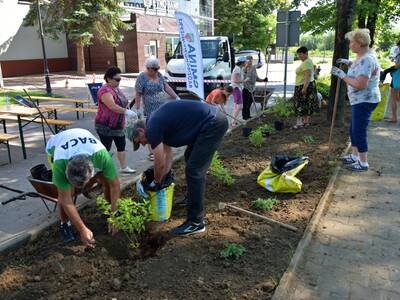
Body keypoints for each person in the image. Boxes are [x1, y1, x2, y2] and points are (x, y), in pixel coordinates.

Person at [126, 100, 228, 235]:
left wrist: (156, 182)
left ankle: (196, 222)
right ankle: (192, 198)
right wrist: (164, 177)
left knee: (194, 170)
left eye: (140, 141)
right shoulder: (155, 124)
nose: (144, 144)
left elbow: (159, 162)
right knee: (190, 157)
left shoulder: (153, 128)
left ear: (140, 130)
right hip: (209, 122)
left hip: (213, 123)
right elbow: (168, 156)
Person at [46, 128, 120, 247]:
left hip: (83, 139)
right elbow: (66, 200)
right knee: (65, 193)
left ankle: (109, 211)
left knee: (107, 180)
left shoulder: (101, 155)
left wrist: (114, 214)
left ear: (92, 172)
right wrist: (82, 229)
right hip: (54, 147)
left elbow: (115, 185)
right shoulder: (60, 163)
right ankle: (64, 224)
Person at [331, 28, 380, 172]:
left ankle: (363, 162)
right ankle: (354, 156)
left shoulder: (367, 59)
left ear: (359, 43)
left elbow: (360, 84)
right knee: (353, 128)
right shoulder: (363, 56)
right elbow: (359, 67)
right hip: (359, 100)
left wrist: (342, 75)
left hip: (364, 100)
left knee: (359, 130)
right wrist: (349, 63)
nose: (350, 45)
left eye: (352, 42)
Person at [134, 56, 180, 161]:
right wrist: (137, 109)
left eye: (158, 68)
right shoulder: (141, 77)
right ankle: (152, 153)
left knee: (163, 129)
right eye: (155, 68)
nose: (157, 70)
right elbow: (138, 93)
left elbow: (166, 87)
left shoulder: (159, 75)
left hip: (162, 108)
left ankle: (164, 149)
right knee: (151, 131)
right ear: (148, 68)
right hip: (151, 110)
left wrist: (176, 97)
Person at [95, 66, 136, 174]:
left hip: (118, 124)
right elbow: (112, 106)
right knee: (106, 148)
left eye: (120, 79)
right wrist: (126, 112)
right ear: (108, 79)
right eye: (117, 79)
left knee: (121, 146)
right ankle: (102, 171)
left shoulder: (116, 89)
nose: (119, 82)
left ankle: (123, 167)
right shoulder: (104, 91)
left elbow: (123, 101)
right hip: (105, 125)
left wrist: (127, 107)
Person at [292, 46, 319, 129]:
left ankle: (299, 123)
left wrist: (304, 88)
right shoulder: (307, 61)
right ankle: (306, 122)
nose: (299, 56)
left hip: (303, 85)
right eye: (298, 54)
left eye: (301, 54)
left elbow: (308, 75)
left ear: (306, 53)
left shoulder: (306, 62)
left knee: (299, 104)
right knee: (307, 103)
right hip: (307, 85)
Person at [242, 55, 268, 120]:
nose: (250, 62)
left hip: (252, 88)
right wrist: (246, 67)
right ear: (246, 61)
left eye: (251, 60)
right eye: (249, 60)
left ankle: (248, 115)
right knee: (246, 103)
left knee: (250, 101)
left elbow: (256, 77)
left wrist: (263, 80)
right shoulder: (244, 68)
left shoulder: (253, 68)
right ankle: (245, 116)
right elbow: (242, 76)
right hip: (246, 88)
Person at [380, 41, 400, 123]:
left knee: (393, 98)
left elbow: (398, 66)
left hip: (397, 77)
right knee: (398, 98)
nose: (398, 48)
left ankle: (394, 118)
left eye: (399, 47)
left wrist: (387, 70)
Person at [230, 56, 247, 126]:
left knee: (236, 106)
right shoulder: (237, 69)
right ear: (242, 62)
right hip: (236, 88)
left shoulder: (239, 68)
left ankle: (233, 120)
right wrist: (244, 80)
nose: (246, 63)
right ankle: (233, 121)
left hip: (238, 88)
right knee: (239, 106)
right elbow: (235, 80)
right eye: (245, 62)